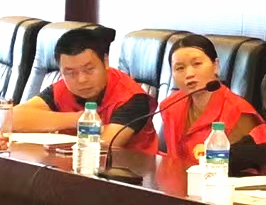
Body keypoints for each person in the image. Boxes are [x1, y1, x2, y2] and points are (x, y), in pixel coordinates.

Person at [11, 27, 157, 153]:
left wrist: (50, 122)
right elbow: (11, 119)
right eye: (70, 72)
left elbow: (102, 146)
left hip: (127, 172)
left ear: (105, 61)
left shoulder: (132, 97)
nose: (81, 79)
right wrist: (77, 119)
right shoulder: (62, 88)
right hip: (70, 166)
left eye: (89, 69)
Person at [159, 34, 262, 162]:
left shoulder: (238, 113)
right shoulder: (170, 106)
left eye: (197, 64)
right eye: (180, 68)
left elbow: (245, 166)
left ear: (215, 66)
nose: (189, 74)